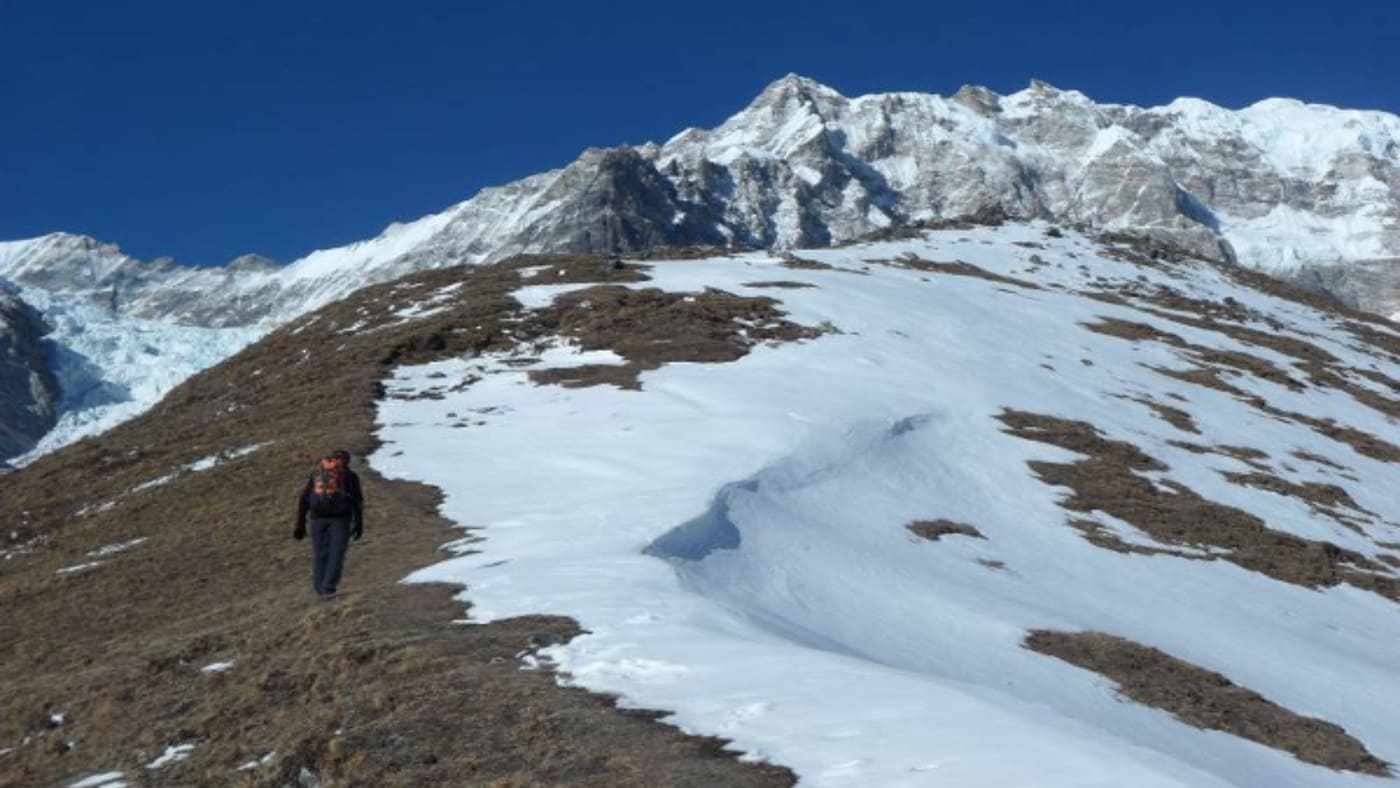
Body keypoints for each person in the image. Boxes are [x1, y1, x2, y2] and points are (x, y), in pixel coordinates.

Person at [293, 449, 364, 597]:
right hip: (340, 520)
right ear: (347, 461)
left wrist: (300, 524)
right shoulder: (350, 476)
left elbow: (304, 498)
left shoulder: (317, 474)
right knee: (336, 555)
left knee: (320, 555)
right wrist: (358, 524)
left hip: (317, 519)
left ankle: (320, 590)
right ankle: (328, 588)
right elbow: (358, 502)